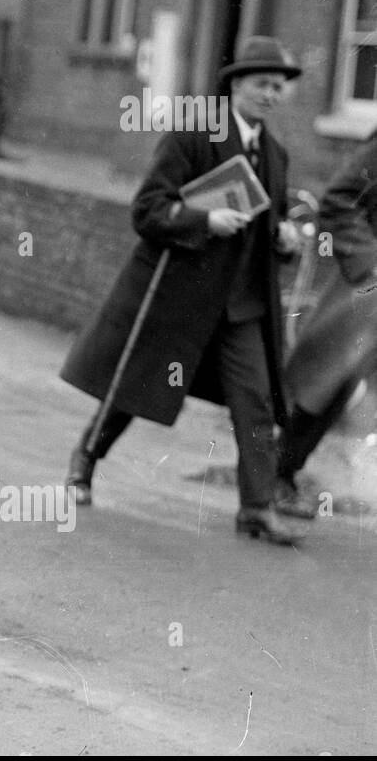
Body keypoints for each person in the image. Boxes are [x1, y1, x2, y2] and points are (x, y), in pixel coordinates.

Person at [59, 36, 307, 545]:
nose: (271, 94)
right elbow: (148, 208)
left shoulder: (275, 155)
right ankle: (86, 456)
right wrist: (204, 220)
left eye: (279, 87)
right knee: (136, 387)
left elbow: (267, 225)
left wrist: (284, 238)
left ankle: (256, 509)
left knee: (255, 401)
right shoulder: (196, 132)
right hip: (180, 296)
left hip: (241, 307)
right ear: (237, 84)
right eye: (263, 84)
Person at [276, 130, 377, 514]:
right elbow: (339, 200)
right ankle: (277, 472)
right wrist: (370, 264)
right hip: (370, 292)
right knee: (328, 382)